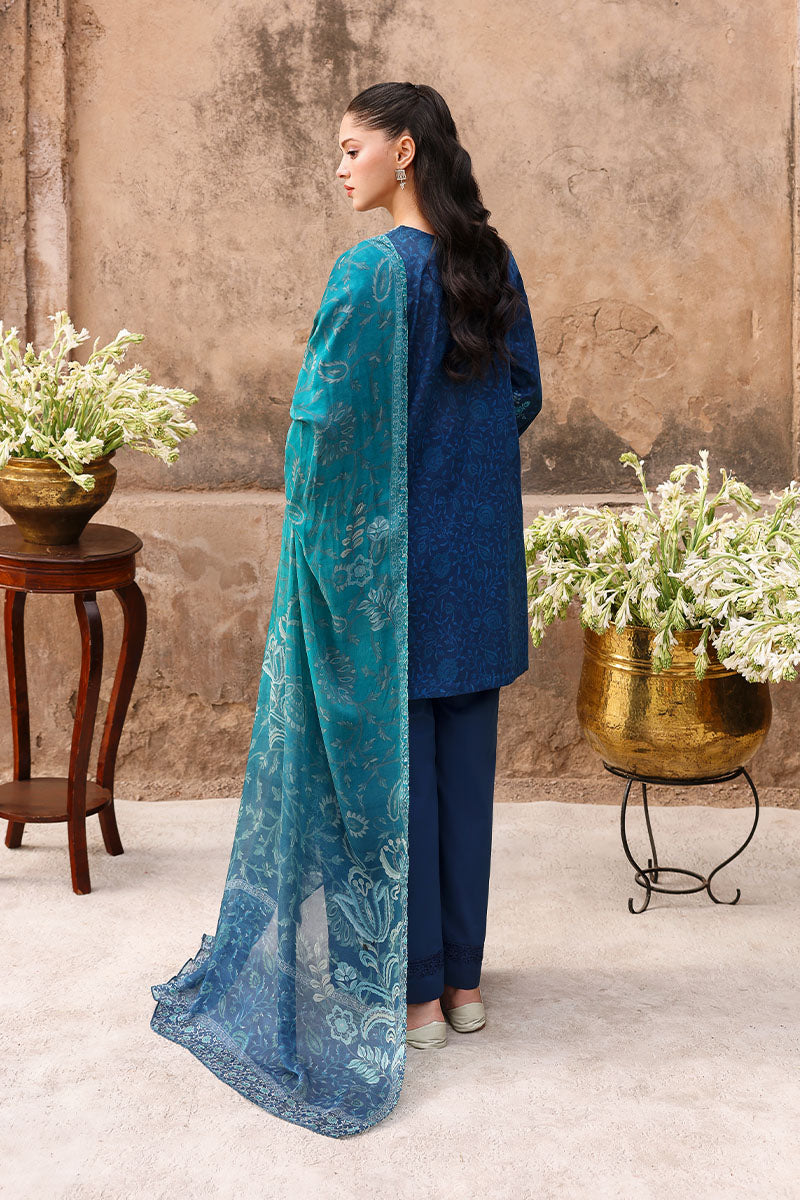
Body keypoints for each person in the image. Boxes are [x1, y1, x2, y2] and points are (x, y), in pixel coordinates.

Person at [150, 81, 542, 1138]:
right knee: (462, 780)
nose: (337, 168)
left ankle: (412, 1002)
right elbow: (521, 395)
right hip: (479, 564)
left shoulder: (371, 272)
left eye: (349, 149)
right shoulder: (490, 261)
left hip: (391, 577)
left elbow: (321, 432)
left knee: (393, 787)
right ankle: (465, 987)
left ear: (403, 151)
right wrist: (457, 461)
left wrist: (338, 533)